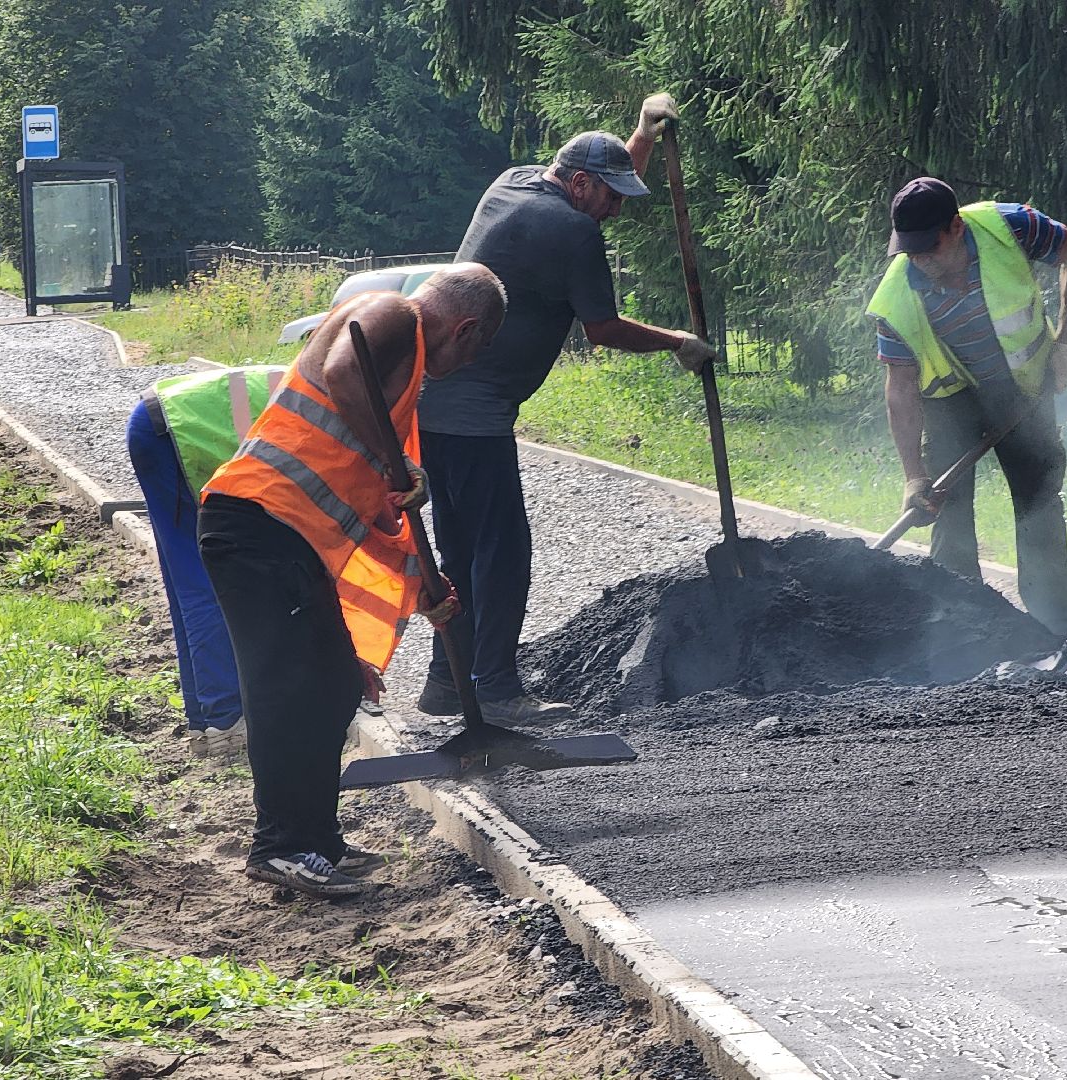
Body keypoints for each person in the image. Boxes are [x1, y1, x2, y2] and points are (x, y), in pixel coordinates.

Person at [198, 264, 506, 900]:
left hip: (286, 539)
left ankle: (317, 841)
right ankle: (280, 846)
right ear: (467, 329)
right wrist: (394, 459)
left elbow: (378, 522)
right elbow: (342, 372)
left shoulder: (398, 387)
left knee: (337, 684)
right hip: (255, 522)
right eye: (475, 351)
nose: (466, 364)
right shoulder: (393, 313)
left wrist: (429, 591)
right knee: (287, 690)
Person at [415, 94, 718, 725]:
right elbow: (602, 328)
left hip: (432, 404)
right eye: (610, 198)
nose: (614, 212)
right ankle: (495, 689)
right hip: (475, 416)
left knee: (462, 549)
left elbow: (592, 174)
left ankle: (447, 684)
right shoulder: (573, 230)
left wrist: (639, 135)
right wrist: (679, 344)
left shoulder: (513, 184)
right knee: (503, 554)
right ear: (579, 186)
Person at [867, 177, 1067, 635]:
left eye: (928, 248)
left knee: (1038, 499)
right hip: (949, 401)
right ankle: (961, 623)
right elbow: (900, 388)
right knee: (944, 508)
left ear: (954, 227)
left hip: (1023, 386)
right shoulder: (895, 298)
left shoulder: (1008, 226)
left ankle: (1051, 623)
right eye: (910, 250)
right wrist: (913, 476)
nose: (920, 261)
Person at [127, 366, 285, 758]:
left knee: (187, 585)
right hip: (172, 436)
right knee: (204, 583)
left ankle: (206, 721)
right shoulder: (337, 420)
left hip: (157, 421)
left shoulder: (324, 389)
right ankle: (226, 722)